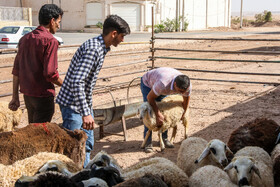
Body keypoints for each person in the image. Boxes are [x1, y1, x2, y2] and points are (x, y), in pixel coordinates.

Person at [56, 15, 130, 167]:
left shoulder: (100, 47)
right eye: (122, 36)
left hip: (81, 104)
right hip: (73, 105)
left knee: (87, 143)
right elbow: (77, 81)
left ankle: (85, 175)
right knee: (75, 148)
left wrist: (87, 108)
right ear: (114, 34)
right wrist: (86, 113)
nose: (123, 40)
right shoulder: (93, 49)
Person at [9, 4, 64, 123]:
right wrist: (65, 85)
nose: (59, 26)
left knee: (32, 131)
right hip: (43, 96)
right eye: (58, 22)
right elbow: (50, 73)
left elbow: (16, 70)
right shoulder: (50, 41)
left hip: (28, 96)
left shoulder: (25, 39)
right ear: (52, 21)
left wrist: (15, 97)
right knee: (40, 136)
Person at [140, 67, 192, 153]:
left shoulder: (187, 86)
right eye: (180, 91)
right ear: (175, 84)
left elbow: (186, 100)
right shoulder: (162, 84)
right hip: (148, 84)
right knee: (149, 114)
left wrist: (184, 112)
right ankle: (148, 142)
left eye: (184, 91)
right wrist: (157, 114)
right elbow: (150, 98)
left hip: (165, 88)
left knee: (166, 112)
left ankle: (164, 138)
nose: (182, 94)